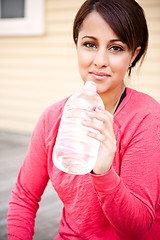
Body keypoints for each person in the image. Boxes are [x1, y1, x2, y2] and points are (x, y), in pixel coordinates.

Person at [7, 0, 160, 239]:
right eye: (89, 44)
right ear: (77, 45)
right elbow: (24, 198)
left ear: (134, 54)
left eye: (116, 48)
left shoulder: (146, 117)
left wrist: (104, 173)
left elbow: (137, 229)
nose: (99, 60)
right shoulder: (52, 118)